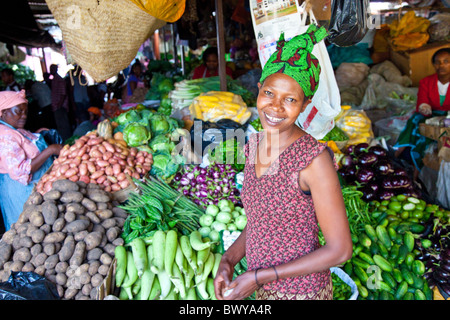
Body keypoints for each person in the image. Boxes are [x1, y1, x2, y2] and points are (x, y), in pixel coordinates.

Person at [213, 25, 353, 301]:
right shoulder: (254, 146)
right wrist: (229, 259)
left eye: (290, 99)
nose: (275, 107)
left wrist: (259, 276)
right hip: (260, 287)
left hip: (301, 293)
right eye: (269, 94)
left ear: (305, 104)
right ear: (259, 89)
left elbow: (340, 251)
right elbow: (260, 220)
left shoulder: (313, 160)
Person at [0, 90, 63, 231]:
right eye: (19, 111)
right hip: (21, 192)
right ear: (3, 112)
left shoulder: (13, 128)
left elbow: (25, 144)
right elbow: (21, 170)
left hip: (37, 189)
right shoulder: (5, 136)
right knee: (28, 229)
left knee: (42, 226)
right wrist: (51, 150)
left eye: (25, 112)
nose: (24, 116)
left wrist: (41, 134)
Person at [394, 48, 450, 175]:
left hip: (448, 117)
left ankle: (414, 169)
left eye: (446, 61)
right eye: (437, 62)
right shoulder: (426, 82)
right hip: (431, 115)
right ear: (434, 65)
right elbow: (422, 101)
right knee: (416, 120)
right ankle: (398, 152)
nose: (441, 65)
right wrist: (424, 107)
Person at [49, 64, 72, 142]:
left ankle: (67, 142)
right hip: (57, 106)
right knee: (60, 126)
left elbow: (63, 94)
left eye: (52, 69)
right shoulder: (54, 80)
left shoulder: (59, 80)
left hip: (60, 107)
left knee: (64, 126)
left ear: (56, 69)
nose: (51, 71)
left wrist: (59, 105)